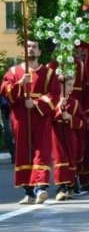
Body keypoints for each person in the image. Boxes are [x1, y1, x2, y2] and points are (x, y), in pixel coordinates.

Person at [2, 41, 60, 204]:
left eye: (34, 47)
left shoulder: (48, 73)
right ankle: (28, 190)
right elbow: (5, 91)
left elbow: (55, 94)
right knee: (23, 151)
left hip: (40, 119)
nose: (30, 49)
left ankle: (40, 187)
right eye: (28, 47)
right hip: (21, 118)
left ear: (39, 51)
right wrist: (20, 84)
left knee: (41, 150)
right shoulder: (14, 71)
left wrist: (36, 103)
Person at [52, 76, 83, 201]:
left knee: (70, 160)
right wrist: (59, 108)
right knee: (60, 159)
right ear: (60, 86)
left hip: (70, 136)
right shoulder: (53, 101)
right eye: (68, 85)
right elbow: (48, 118)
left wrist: (70, 118)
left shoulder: (75, 103)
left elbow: (82, 123)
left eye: (72, 85)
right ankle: (60, 189)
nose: (71, 88)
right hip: (57, 135)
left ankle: (70, 186)